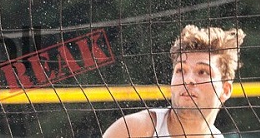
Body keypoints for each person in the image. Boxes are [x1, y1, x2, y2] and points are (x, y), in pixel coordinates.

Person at [103, 25, 245, 138]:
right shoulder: (135, 129)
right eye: (180, 70)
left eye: (202, 72)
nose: (188, 79)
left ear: (225, 90)